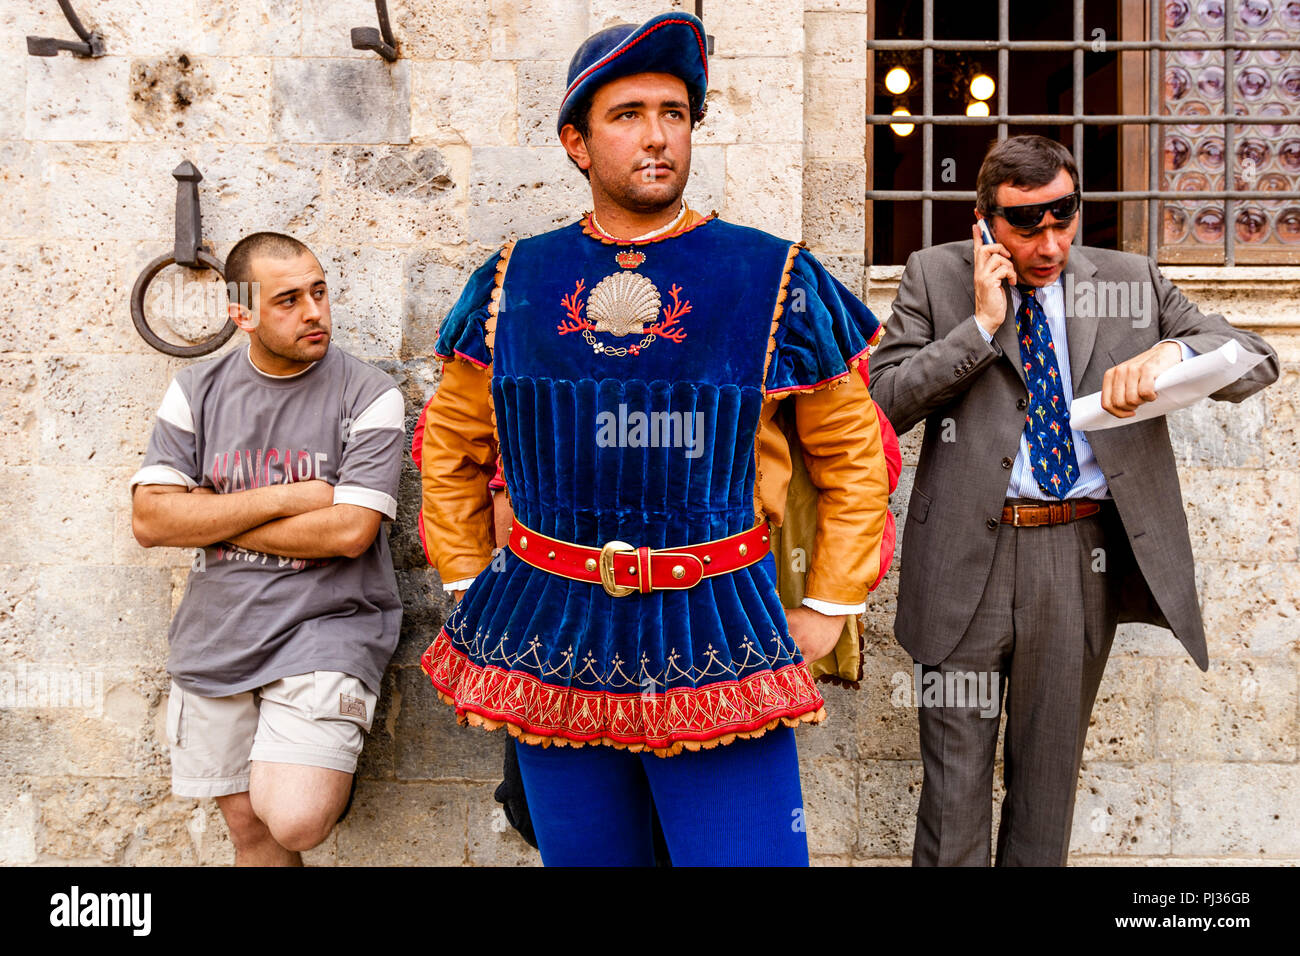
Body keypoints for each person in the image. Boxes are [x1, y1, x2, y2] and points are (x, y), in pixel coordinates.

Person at [417, 11, 892, 866]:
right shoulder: (511, 280)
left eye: (674, 113)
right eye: (628, 114)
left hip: (719, 624)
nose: (657, 136)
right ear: (576, 142)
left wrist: (828, 605)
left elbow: (852, 457)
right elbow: (451, 450)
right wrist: (467, 580)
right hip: (549, 627)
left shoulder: (773, 274)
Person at [868, 134, 1280, 866]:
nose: (1051, 244)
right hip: (964, 561)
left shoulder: (1130, 280)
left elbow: (1256, 360)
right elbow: (883, 405)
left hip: (1076, 559)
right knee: (952, 800)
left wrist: (1175, 351)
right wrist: (980, 326)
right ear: (984, 221)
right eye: (1028, 226)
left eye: (1065, 218)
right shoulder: (935, 276)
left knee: (1046, 794)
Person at [130, 232, 405, 866]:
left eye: (319, 292)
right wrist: (294, 497)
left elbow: (349, 532)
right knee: (250, 835)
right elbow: (149, 519)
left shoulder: (368, 394)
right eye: (288, 300)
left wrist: (205, 515)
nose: (314, 312)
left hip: (325, 629)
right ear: (243, 314)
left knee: (295, 819)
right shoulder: (195, 390)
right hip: (216, 637)